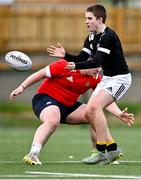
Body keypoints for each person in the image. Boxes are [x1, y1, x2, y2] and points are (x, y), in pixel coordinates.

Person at [47, 4, 133, 164]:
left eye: (89, 18)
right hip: (108, 78)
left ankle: (101, 151)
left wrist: (75, 66)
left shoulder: (108, 36)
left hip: (120, 78)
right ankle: (113, 149)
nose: (86, 22)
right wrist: (65, 55)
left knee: (95, 108)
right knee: (89, 112)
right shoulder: (92, 37)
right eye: (85, 18)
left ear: (100, 19)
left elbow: (97, 61)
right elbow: (81, 57)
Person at [10, 59, 134, 165]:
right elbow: (40, 74)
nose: (99, 70)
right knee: (53, 119)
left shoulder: (96, 78)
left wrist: (118, 114)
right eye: (97, 66)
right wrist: (22, 87)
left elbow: (104, 99)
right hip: (45, 99)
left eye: (100, 67)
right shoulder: (64, 65)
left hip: (69, 106)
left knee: (94, 113)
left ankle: (101, 153)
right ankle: (33, 154)